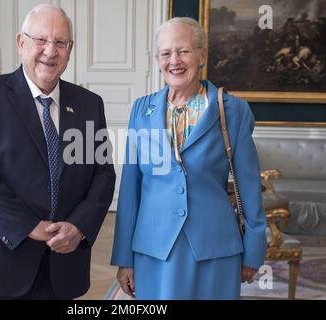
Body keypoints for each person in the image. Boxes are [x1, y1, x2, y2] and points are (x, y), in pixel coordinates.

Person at [0, 4, 115, 300]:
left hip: (60, 268)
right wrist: (29, 226)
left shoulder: (89, 104)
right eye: (41, 40)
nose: (51, 51)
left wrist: (79, 226)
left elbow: (102, 174)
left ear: (70, 49)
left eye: (61, 42)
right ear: (21, 43)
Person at [111, 17, 267, 300]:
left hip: (214, 248)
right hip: (154, 249)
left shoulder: (232, 111)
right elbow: (130, 189)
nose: (175, 61)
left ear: (202, 56)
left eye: (183, 51)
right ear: (158, 59)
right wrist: (124, 257)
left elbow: (249, 185)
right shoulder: (141, 110)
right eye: (166, 53)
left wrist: (254, 249)